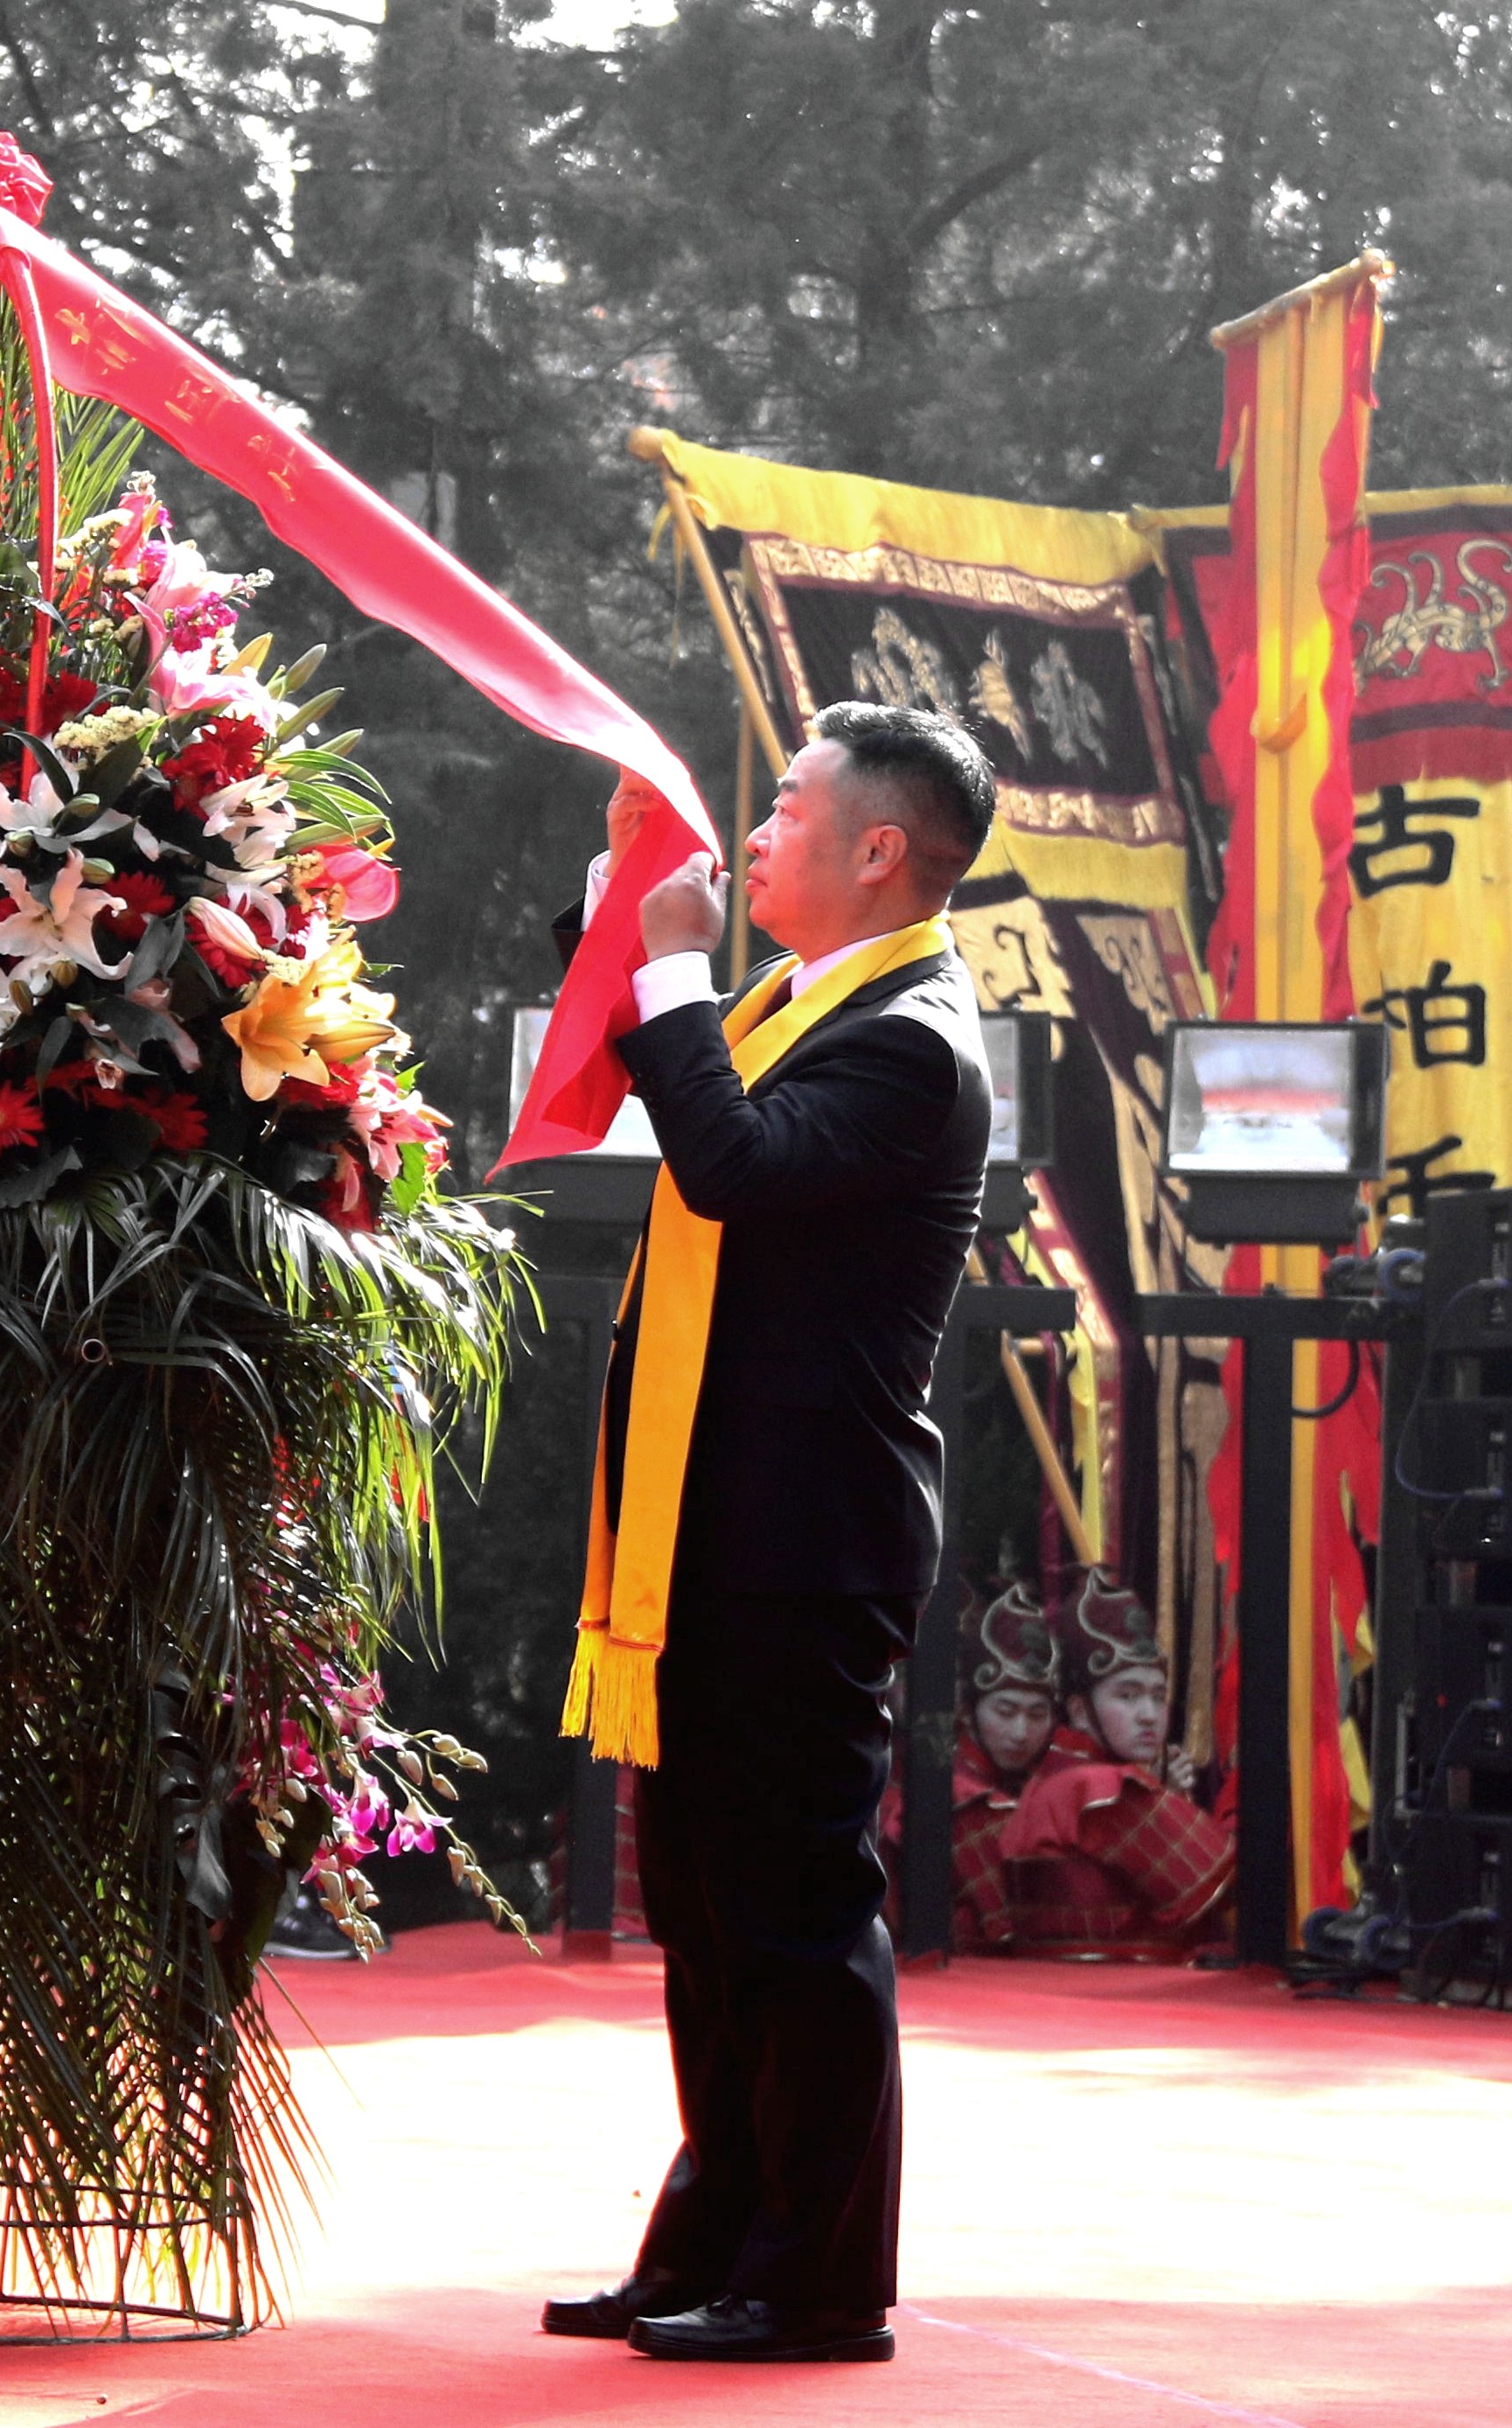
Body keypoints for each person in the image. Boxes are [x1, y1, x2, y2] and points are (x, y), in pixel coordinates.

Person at [541, 701, 993, 2366]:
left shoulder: (913, 1040)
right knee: (708, 1908)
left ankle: (819, 2283)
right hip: (711, 1528)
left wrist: (672, 960)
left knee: (796, 1911)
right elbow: (650, 1053)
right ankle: (717, 2241)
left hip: (806, 1543)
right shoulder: (799, 1001)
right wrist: (628, 902)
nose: (754, 834)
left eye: (788, 807)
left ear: (878, 849)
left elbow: (726, 1160)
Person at [1001, 1572, 1235, 1957]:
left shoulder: (1054, 1776)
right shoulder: (1099, 1788)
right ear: (1080, 1711)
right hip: (1124, 1986)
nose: (1149, 1715)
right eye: (1127, 1696)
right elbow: (1226, 1880)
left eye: (1158, 1695)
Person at [876, 1582, 1060, 1954]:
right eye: (1005, 1712)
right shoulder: (960, 1798)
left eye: (1037, 1714)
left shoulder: (1040, 1779)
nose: (1021, 1732)